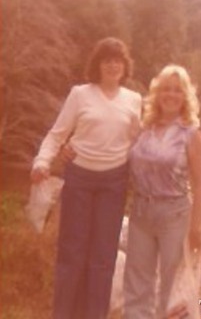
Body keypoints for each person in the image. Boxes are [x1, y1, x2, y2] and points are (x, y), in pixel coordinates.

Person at [30, 37, 142, 319]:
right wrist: (42, 161)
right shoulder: (80, 94)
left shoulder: (134, 100)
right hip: (79, 178)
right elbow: (57, 134)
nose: (112, 66)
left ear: (125, 66)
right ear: (98, 64)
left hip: (114, 183)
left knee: (103, 256)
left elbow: (138, 143)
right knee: (72, 253)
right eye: (107, 60)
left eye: (118, 61)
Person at [124, 64, 201, 319]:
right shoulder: (144, 129)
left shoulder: (190, 134)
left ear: (185, 97)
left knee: (172, 288)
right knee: (137, 283)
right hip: (141, 212)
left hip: (175, 215)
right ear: (157, 93)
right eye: (166, 89)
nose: (171, 95)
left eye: (177, 90)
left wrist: (196, 227)